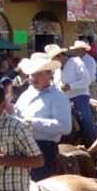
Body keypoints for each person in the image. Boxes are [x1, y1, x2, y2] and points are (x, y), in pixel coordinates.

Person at [15, 53, 72, 181]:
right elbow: (16, 114)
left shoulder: (58, 96)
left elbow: (66, 127)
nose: (33, 78)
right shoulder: (25, 95)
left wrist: (32, 122)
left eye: (38, 74)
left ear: (49, 74)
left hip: (43, 148)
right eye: (32, 74)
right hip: (20, 145)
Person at [45, 44, 97, 146]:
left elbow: (86, 80)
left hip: (79, 96)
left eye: (53, 59)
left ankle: (94, 144)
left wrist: (71, 86)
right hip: (63, 99)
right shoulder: (56, 70)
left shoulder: (76, 62)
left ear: (59, 55)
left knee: (84, 117)